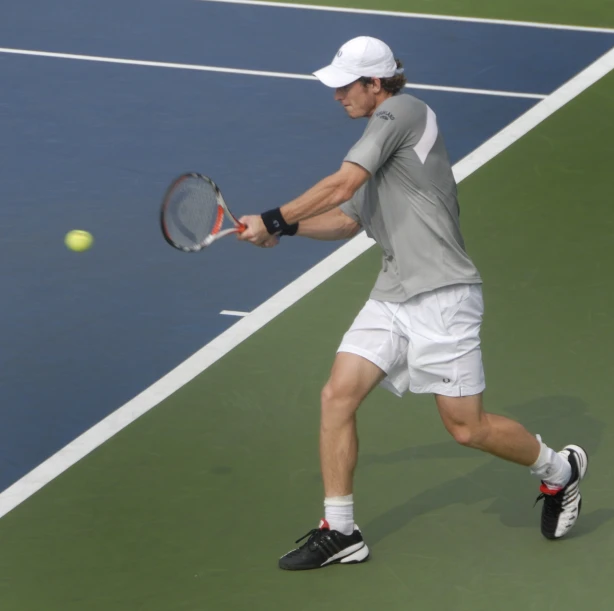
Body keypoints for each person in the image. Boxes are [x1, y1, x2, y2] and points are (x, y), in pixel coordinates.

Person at [237, 36, 588, 571]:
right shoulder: (381, 147)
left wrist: (276, 217)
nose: (337, 96)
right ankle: (341, 531)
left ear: (375, 84)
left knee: (466, 428)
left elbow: (341, 183)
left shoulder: (403, 112)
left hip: (444, 296)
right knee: (337, 396)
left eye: (344, 86)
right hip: (393, 293)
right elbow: (345, 218)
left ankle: (559, 471)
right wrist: (284, 233)